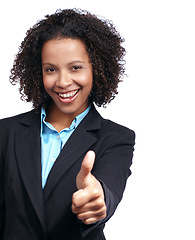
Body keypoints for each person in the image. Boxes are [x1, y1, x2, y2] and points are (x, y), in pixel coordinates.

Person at [0, 8, 135, 240]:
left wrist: (98, 198)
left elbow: (108, 188)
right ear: (37, 72)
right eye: (50, 69)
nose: (63, 82)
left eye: (76, 67)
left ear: (97, 68)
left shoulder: (116, 137)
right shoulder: (5, 132)